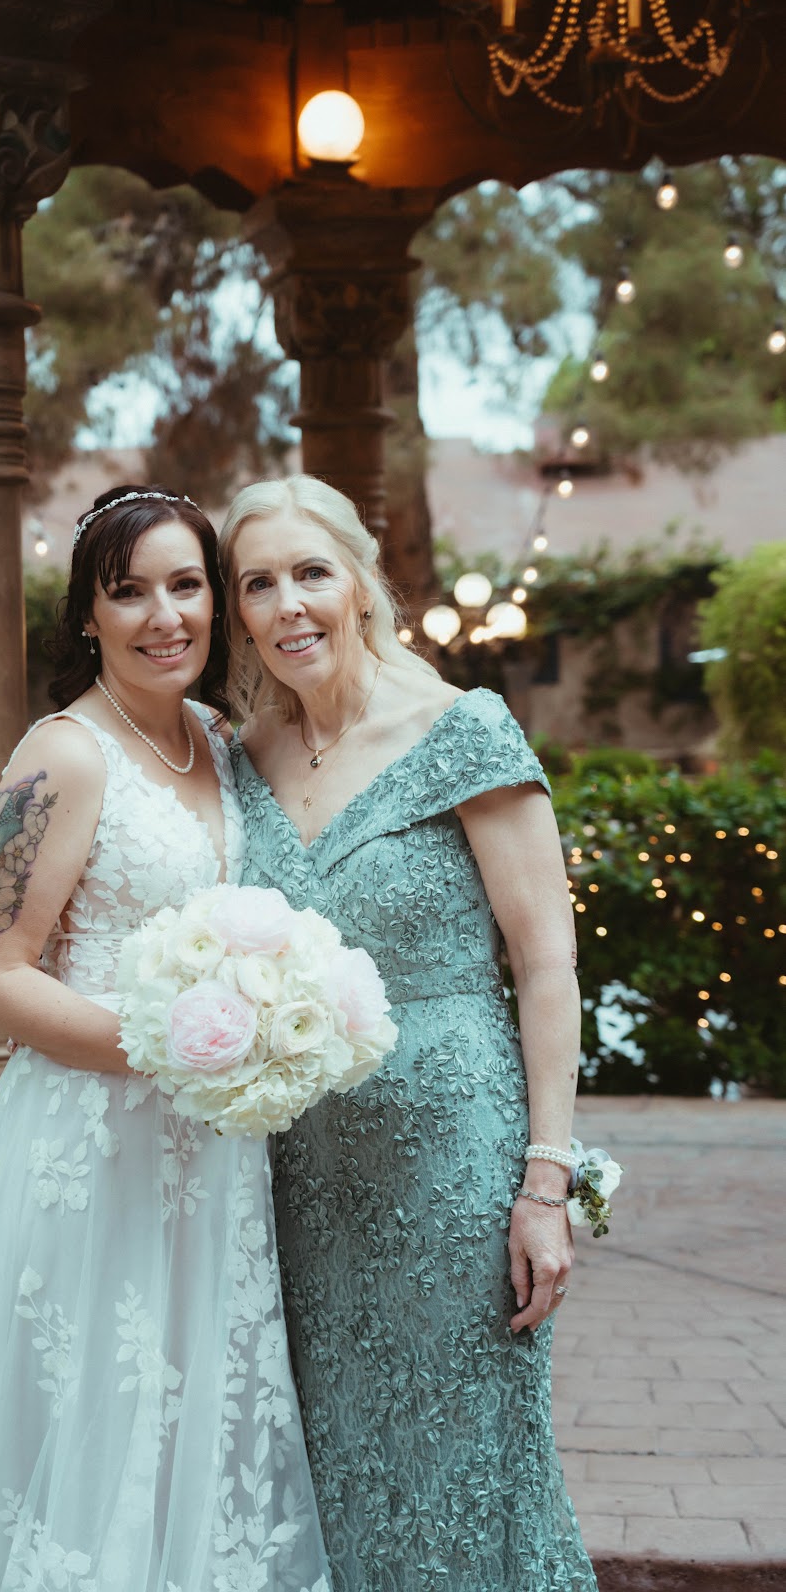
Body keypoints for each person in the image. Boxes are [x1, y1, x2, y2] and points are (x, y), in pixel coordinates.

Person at [0, 487, 331, 1592]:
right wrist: (170, 1045)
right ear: (86, 615)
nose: (164, 616)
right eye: (129, 592)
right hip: (95, 1139)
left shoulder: (217, 741)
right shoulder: (59, 756)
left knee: (195, 1415)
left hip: (214, 1149)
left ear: (215, 601)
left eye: (185, 585)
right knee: (96, 1417)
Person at [218, 475, 598, 1592]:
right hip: (295, 1179)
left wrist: (545, 1184)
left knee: (463, 1465)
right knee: (329, 1466)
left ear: (360, 582)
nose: (288, 605)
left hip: (449, 1176)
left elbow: (545, 963)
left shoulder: (458, 729)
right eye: (257, 584)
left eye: (310, 573)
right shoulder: (244, 754)